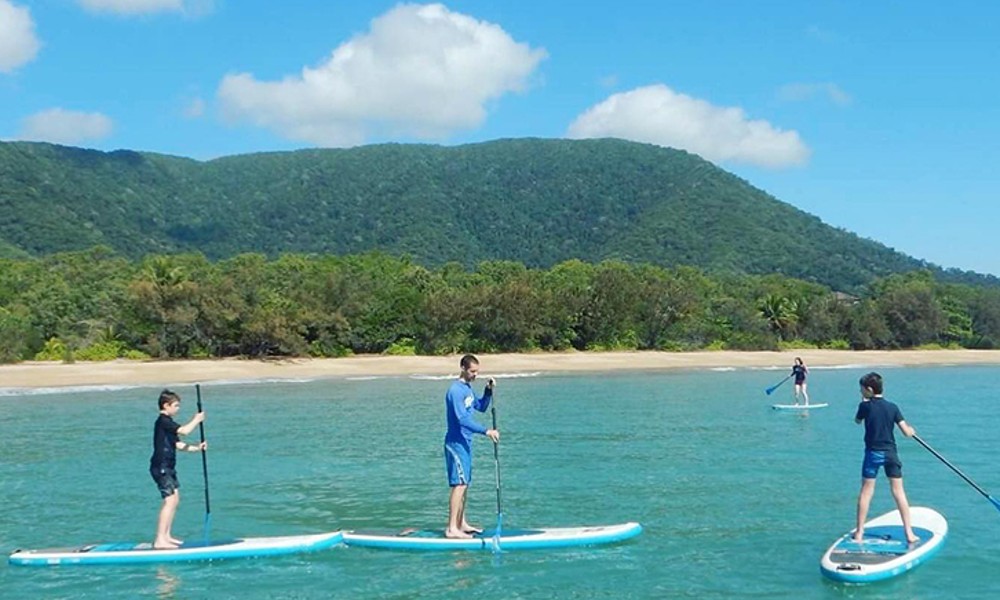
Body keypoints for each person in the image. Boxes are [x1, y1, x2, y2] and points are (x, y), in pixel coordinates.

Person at [852, 372, 919, 544]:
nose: (860, 392)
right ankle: (909, 533)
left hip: (873, 453)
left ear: (868, 389)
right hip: (891, 454)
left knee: (866, 492)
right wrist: (911, 431)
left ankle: (859, 533)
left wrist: (863, 403)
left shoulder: (865, 406)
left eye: (862, 389)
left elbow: (857, 421)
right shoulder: (893, 407)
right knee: (899, 492)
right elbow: (906, 432)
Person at [443, 354, 500, 539]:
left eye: (477, 371)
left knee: (465, 484)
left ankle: (462, 523)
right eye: (472, 371)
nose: (475, 375)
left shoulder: (467, 389)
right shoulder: (455, 391)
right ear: (463, 368)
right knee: (458, 485)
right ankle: (451, 528)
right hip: (455, 444)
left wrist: (488, 391)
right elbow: (462, 419)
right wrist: (486, 431)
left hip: (466, 444)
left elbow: (481, 406)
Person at [150, 389, 207, 549]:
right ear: (166, 405)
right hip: (160, 467)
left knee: (175, 500)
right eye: (176, 405)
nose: (178, 409)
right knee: (169, 501)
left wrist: (197, 448)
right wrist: (197, 419)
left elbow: (178, 444)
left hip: (168, 467)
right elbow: (185, 431)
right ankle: (160, 540)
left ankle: (166, 536)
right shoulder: (163, 421)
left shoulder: (168, 424)